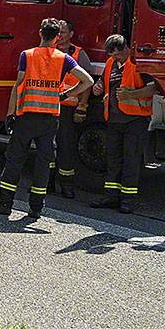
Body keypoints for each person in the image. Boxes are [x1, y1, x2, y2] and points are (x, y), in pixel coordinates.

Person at [0, 18, 93, 219]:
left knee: (14, 161)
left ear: (39, 33)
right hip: (49, 120)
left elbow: (17, 87)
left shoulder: (27, 55)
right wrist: (66, 95)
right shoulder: (64, 59)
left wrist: (10, 113)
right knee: (43, 164)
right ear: (56, 37)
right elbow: (87, 80)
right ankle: (36, 208)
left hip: (26, 117)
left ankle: (4, 203)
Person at [91, 34, 157, 213]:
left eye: (118, 55)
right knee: (113, 160)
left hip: (135, 121)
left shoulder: (138, 64)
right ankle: (110, 196)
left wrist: (131, 95)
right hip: (113, 120)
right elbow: (103, 82)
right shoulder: (111, 64)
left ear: (127, 48)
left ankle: (127, 199)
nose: (115, 58)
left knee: (131, 160)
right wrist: (98, 87)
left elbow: (154, 87)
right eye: (112, 55)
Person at [50, 19, 92, 199]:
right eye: (57, 33)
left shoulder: (79, 54)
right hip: (49, 107)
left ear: (71, 34)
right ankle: (47, 183)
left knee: (66, 148)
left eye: (63, 33)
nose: (59, 36)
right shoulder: (49, 51)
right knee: (47, 147)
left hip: (67, 109)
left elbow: (87, 83)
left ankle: (67, 185)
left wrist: (82, 106)